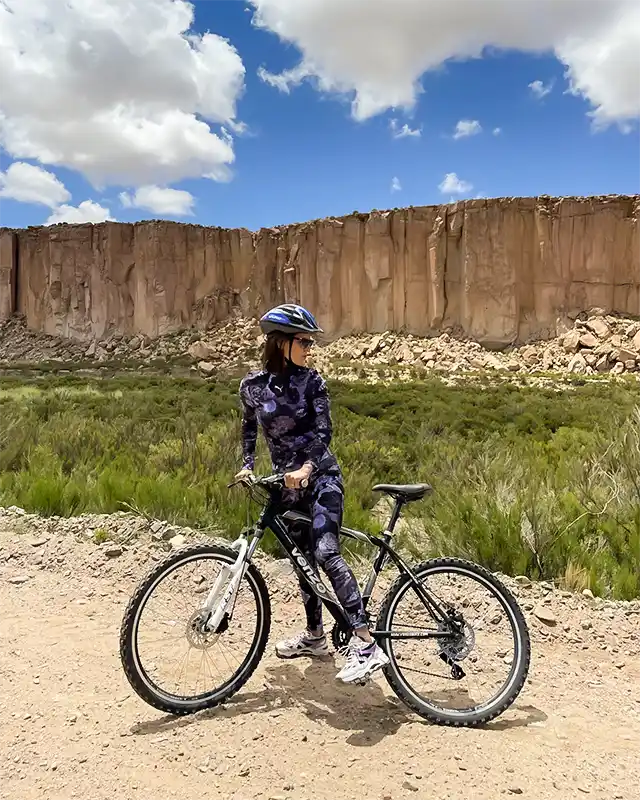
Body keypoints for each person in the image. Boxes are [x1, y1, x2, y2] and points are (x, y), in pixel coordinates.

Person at [235, 303, 389, 684]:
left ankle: (366, 644)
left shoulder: (312, 382)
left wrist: (306, 468)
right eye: (303, 341)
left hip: (321, 479)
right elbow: (248, 428)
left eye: (309, 341)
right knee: (302, 561)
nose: (309, 348)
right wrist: (248, 465)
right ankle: (316, 637)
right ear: (280, 343)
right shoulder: (252, 387)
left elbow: (323, 433)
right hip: (285, 484)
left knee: (325, 552)